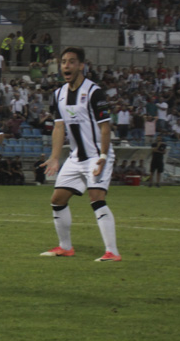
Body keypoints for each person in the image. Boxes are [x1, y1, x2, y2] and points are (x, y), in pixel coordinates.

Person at [38, 47, 121, 262]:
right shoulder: (58, 95)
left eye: (71, 62)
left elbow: (105, 127)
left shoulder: (94, 92)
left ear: (81, 66)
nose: (66, 65)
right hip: (76, 157)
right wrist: (55, 157)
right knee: (57, 200)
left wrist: (103, 157)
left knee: (96, 198)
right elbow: (58, 128)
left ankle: (112, 252)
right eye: (64, 62)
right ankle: (65, 247)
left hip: (96, 155)